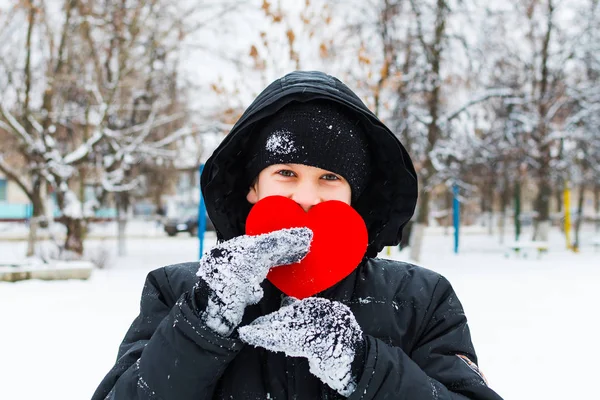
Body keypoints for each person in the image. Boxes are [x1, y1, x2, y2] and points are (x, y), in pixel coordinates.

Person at [93, 71, 503, 400]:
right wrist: (204, 322)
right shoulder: (177, 291)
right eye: (286, 173)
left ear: (353, 198)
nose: (306, 196)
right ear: (252, 187)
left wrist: (364, 365)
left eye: (329, 177)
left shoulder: (419, 300)